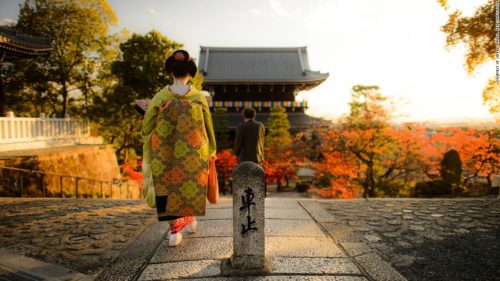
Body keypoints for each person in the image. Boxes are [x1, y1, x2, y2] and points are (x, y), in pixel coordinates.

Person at [141, 50, 216, 247]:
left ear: (171, 72)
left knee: (166, 187)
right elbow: (208, 126)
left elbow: (147, 126)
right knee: (189, 187)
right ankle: (190, 218)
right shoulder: (199, 98)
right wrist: (212, 150)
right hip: (194, 151)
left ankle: (174, 229)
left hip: (164, 151)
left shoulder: (160, 97)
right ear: (190, 73)